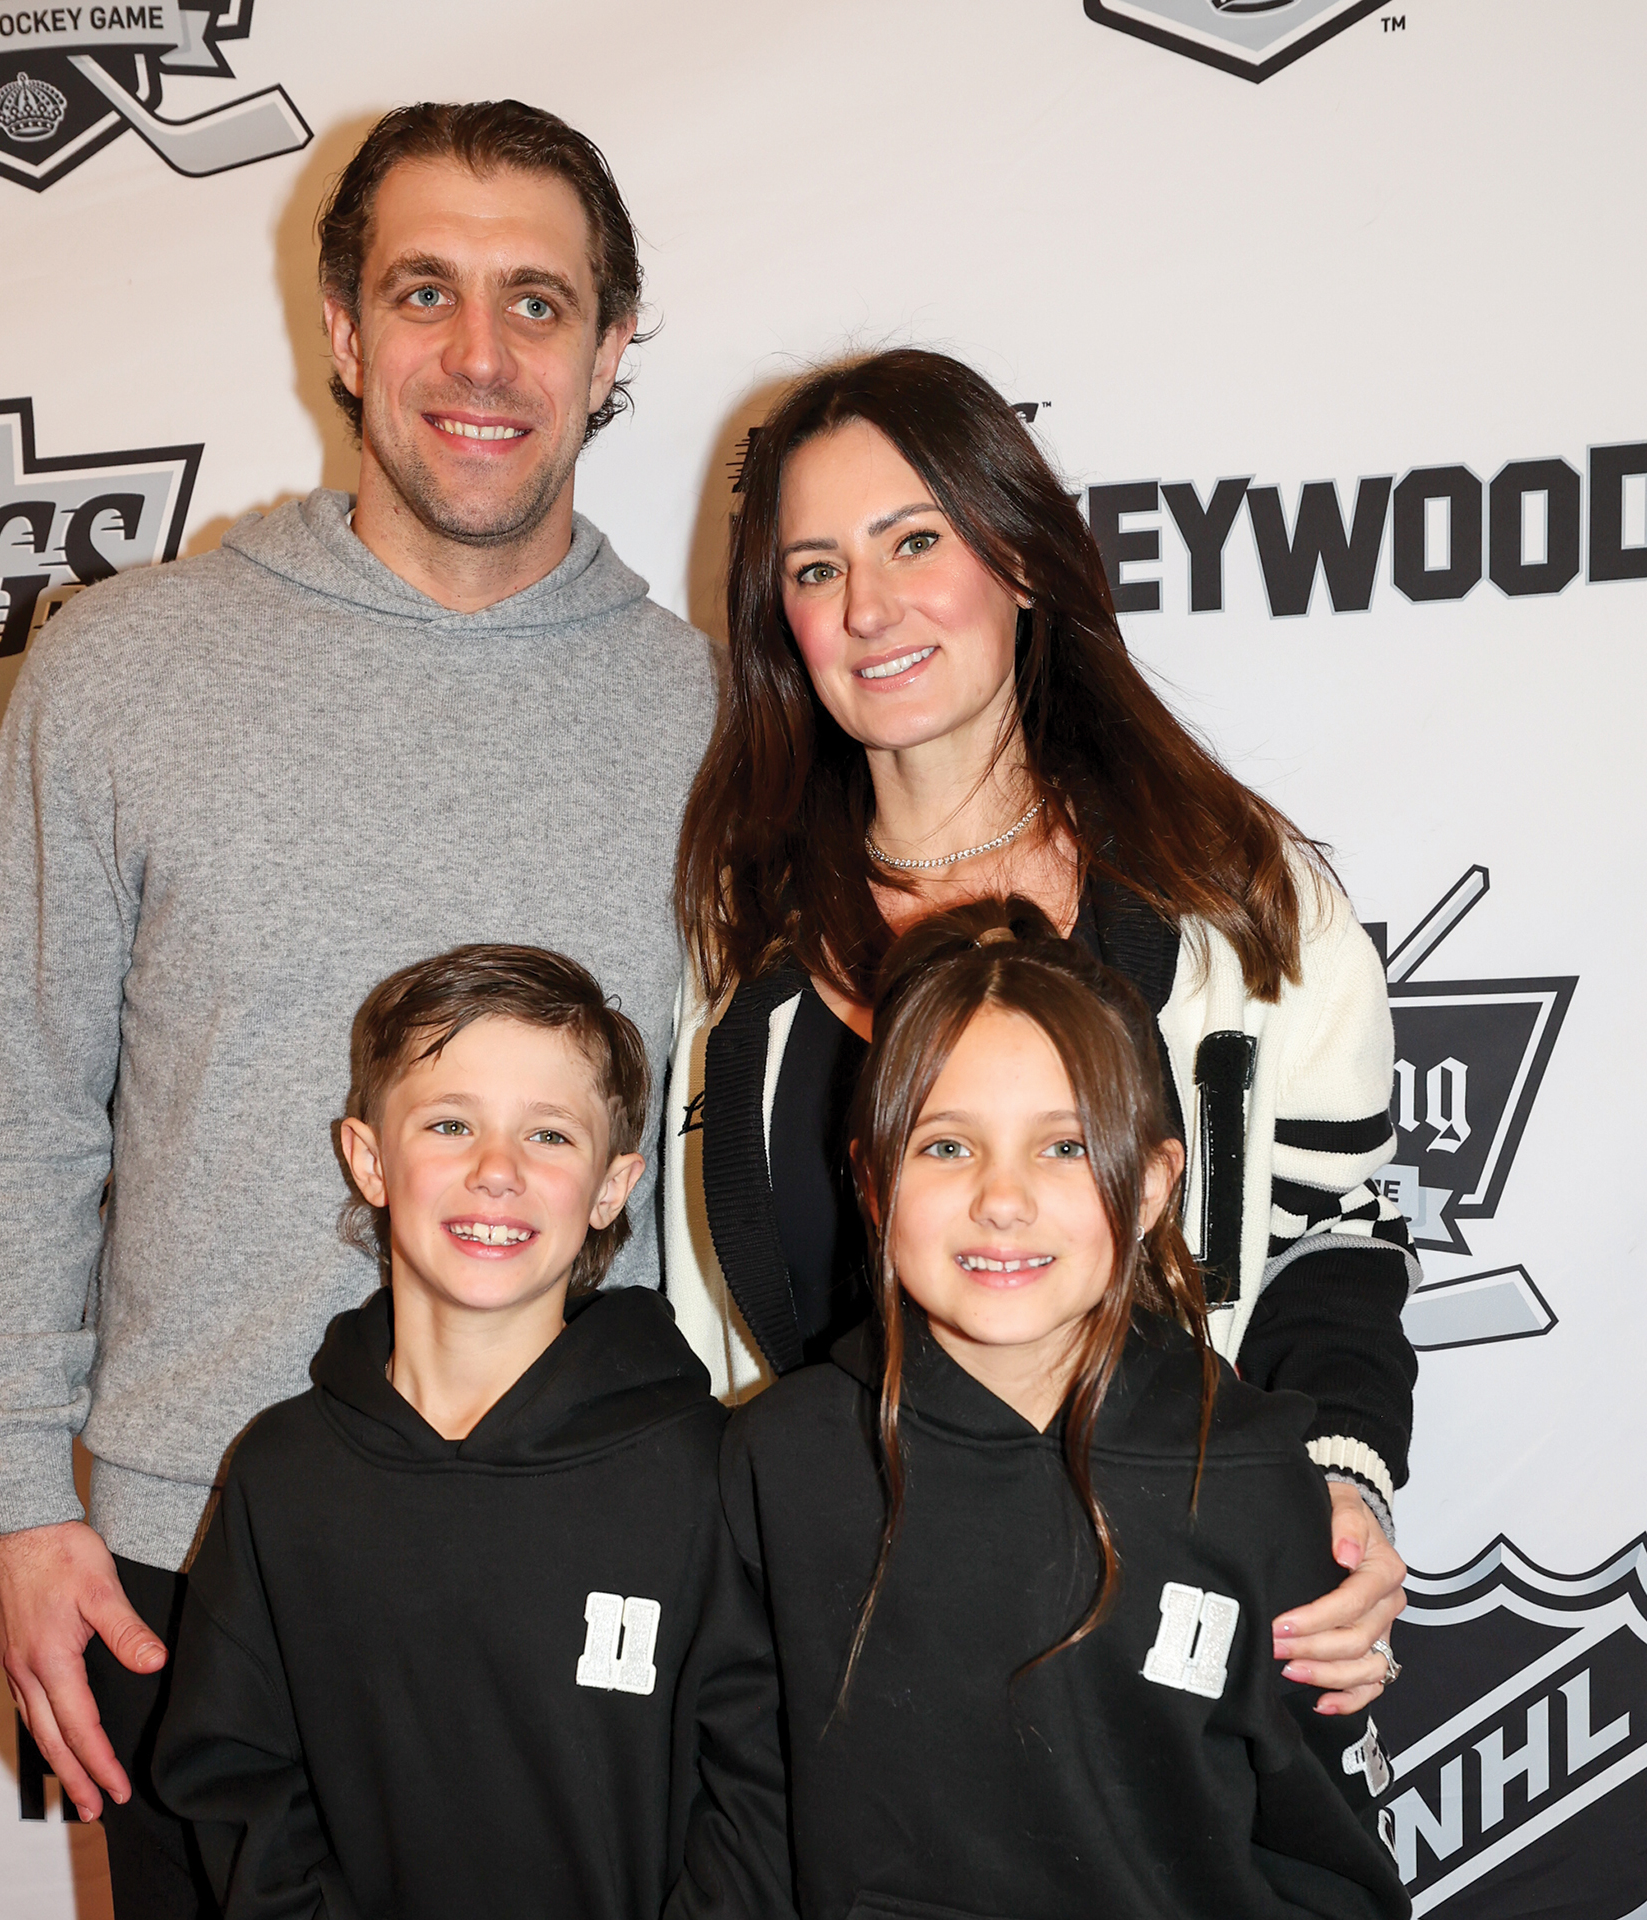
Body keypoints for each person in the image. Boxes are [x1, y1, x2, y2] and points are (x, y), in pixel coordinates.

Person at [0, 101, 715, 1915]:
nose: (481, 354)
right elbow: (15, 1116)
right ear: (344, 332)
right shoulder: (121, 670)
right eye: (425, 292)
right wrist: (20, 1502)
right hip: (189, 1551)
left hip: (602, 1556)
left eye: (537, 301)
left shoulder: (717, 720)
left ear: (610, 351)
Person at [666, 348, 1417, 1718]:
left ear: (1019, 558)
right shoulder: (742, 945)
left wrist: (1342, 1481)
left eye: (914, 541)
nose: (868, 607)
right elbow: (706, 1328)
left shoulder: (1234, 897)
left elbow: (1338, 1244)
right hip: (845, 1675)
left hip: (1173, 1649)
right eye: (817, 568)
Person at [715, 900, 1410, 1920]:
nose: (1002, 1199)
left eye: (1066, 1147)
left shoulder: (1254, 1478)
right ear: (870, 1180)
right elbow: (741, 1828)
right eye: (945, 1147)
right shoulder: (776, 1463)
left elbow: (1331, 1865)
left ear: (1153, 1186)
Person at [153, 945, 785, 1920]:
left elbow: (758, 1796)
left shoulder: (704, 1476)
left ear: (614, 1186)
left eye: (549, 1135)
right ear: (370, 1159)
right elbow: (237, 1782)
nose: (498, 1172)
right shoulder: (283, 1480)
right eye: (451, 1124)